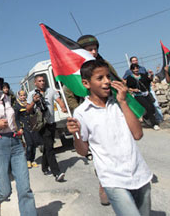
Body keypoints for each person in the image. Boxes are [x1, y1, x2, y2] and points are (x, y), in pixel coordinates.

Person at [67, 60, 153, 216]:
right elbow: (82, 150)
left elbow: (138, 134)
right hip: (113, 179)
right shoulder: (81, 112)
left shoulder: (119, 103)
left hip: (139, 173)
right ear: (86, 83)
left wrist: (123, 101)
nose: (107, 81)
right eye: (100, 78)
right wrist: (76, 134)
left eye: (108, 76)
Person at [0, 72, 36, 216]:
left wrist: (18, 132)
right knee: (4, 190)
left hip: (15, 142)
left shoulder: (7, 99)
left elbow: (12, 120)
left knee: (25, 187)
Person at [27, 74, 67, 182]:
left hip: (51, 123)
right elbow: (28, 109)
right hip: (41, 125)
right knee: (50, 147)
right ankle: (56, 172)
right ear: (35, 83)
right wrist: (34, 102)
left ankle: (44, 167)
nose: (42, 82)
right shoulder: (31, 94)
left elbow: (58, 100)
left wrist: (63, 107)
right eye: (39, 81)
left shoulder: (51, 91)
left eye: (43, 80)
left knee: (48, 146)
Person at [126, 64, 160, 130]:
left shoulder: (143, 75)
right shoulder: (129, 78)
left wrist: (152, 75)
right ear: (131, 70)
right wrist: (134, 90)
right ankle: (154, 124)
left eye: (137, 68)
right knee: (148, 107)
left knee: (152, 108)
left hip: (146, 93)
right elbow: (128, 88)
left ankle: (146, 116)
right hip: (138, 95)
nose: (136, 70)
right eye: (134, 69)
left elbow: (149, 80)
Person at [15, 90, 39, 169]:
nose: (23, 97)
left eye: (24, 95)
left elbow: (34, 113)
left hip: (32, 125)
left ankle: (33, 160)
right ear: (18, 96)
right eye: (21, 95)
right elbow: (16, 119)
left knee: (34, 143)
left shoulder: (29, 103)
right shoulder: (17, 105)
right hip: (24, 126)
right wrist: (19, 128)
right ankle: (28, 160)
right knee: (29, 144)